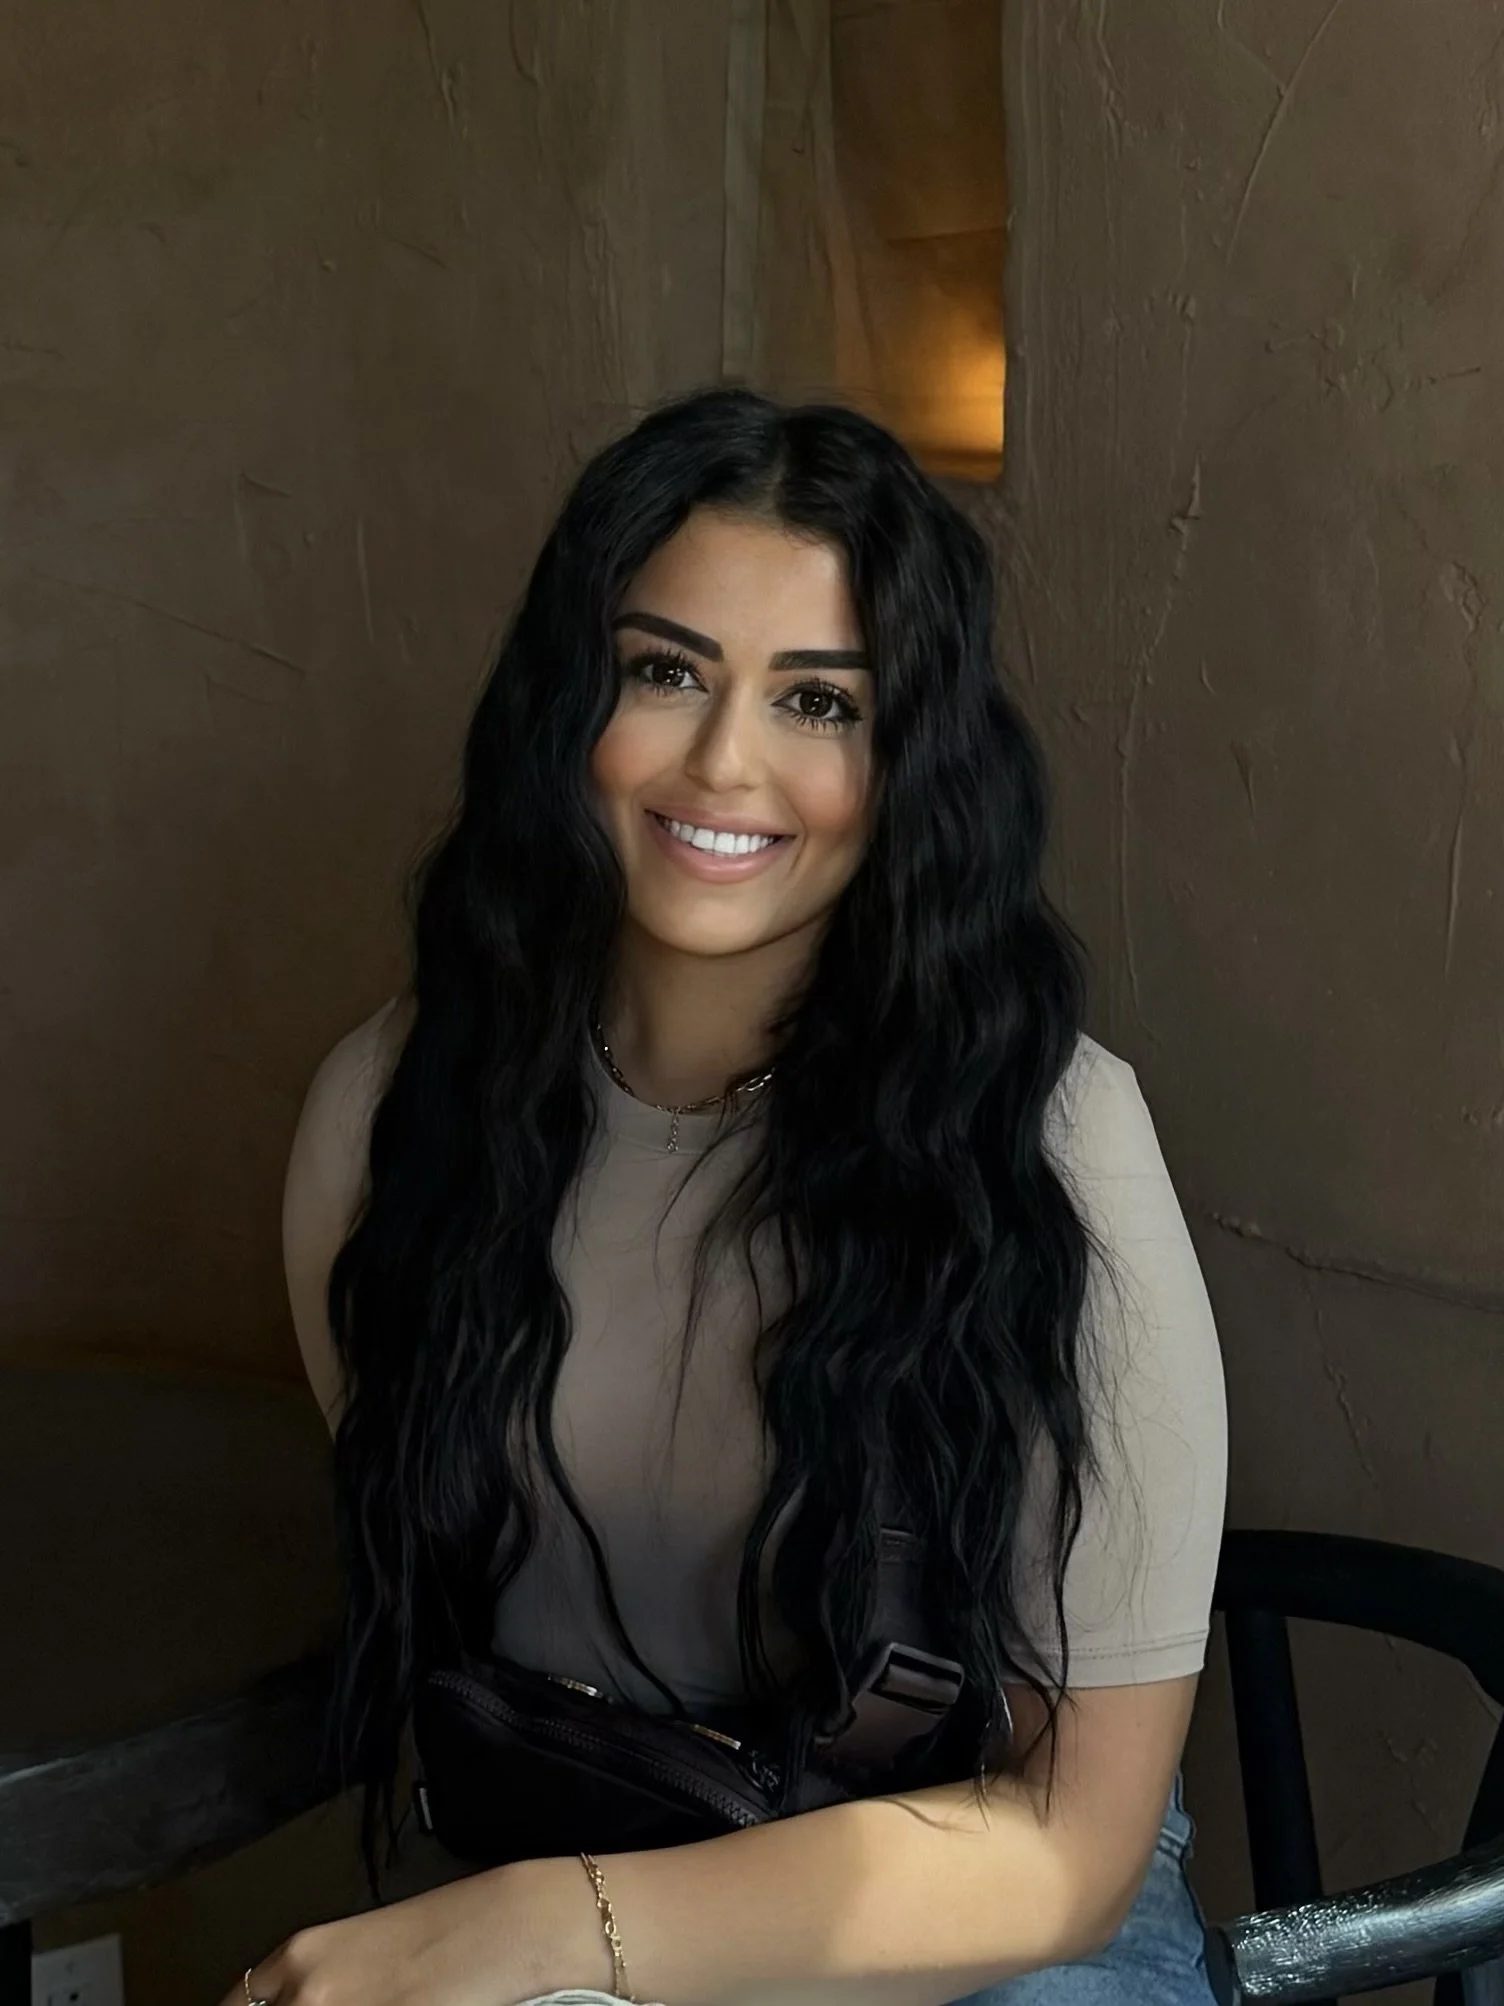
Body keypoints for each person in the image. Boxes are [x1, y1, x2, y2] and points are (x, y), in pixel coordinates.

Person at [232, 388, 1227, 2006]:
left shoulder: (1052, 1142)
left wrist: (557, 1922)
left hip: (971, 1928)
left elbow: (1074, 1844)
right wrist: (550, 1923)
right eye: (667, 671)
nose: (723, 761)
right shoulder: (393, 1118)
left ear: (907, 760)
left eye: (819, 701)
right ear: (570, 698)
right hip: (570, 1861)